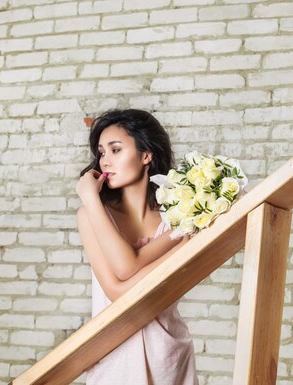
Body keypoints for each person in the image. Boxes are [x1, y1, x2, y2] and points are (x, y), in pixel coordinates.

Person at [75, 108, 199, 385]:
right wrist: (91, 200)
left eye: (115, 149)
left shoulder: (177, 216)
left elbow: (129, 271)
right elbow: (119, 290)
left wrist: (173, 236)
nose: (105, 161)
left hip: (169, 354)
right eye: (102, 152)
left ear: (146, 155)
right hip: (115, 355)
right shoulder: (92, 214)